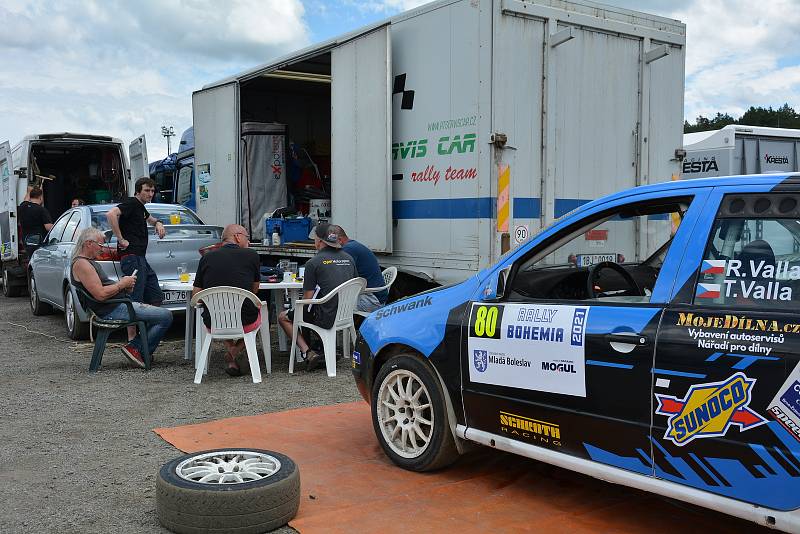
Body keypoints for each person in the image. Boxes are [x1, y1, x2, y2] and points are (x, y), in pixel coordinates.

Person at [71, 227, 173, 368]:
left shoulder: (87, 262)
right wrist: (121, 285)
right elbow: (100, 295)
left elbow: (102, 290)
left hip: (115, 304)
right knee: (165, 316)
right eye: (101, 245)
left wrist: (125, 286)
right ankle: (136, 348)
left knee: (158, 314)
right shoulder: (82, 264)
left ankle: (139, 349)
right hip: (111, 309)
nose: (103, 249)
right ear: (89, 243)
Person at [278, 223, 356, 371]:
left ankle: (308, 352)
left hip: (326, 316)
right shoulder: (349, 258)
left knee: (284, 316)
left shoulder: (313, 263)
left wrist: (296, 309)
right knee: (310, 311)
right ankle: (325, 349)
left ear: (319, 241)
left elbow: (307, 300)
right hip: (345, 314)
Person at [192, 224, 261, 376]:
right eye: (247, 237)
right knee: (261, 311)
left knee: (221, 313)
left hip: (214, 321)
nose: (248, 242)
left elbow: (196, 294)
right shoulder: (252, 255)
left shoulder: (207, 257)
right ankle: (235, 350)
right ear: (237, 237)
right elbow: (254, 290)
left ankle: (231, 357)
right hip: (246, 320)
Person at [106, 177, 166, 343]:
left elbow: (151, 219)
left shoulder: (141, 208)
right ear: (138, 191)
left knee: (155, 295)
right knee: (136, 299)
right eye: (147, 190)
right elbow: (111, 214)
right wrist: (120, 238)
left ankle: (145, 336)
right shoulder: (132, 203)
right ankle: (132, 339)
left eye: (152, 191)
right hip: (131, 257)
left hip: (141, 258)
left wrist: (159, 223)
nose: (150, 194)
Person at [331, 225, 388, 312]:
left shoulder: (348, 249)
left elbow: (341, 276)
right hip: (377, 295)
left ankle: (339, 325)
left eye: (331, 243)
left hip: (372, 300)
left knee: (330, 304)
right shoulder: (353, 245)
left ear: (339, 240)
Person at [18, 187, 53, 257]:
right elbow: (48, 228)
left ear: (31, 196)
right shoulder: (42, 210)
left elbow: (26, 199)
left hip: (26, 241)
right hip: (38, 242)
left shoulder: (22, 207)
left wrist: (29, 191)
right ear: (40, 197)